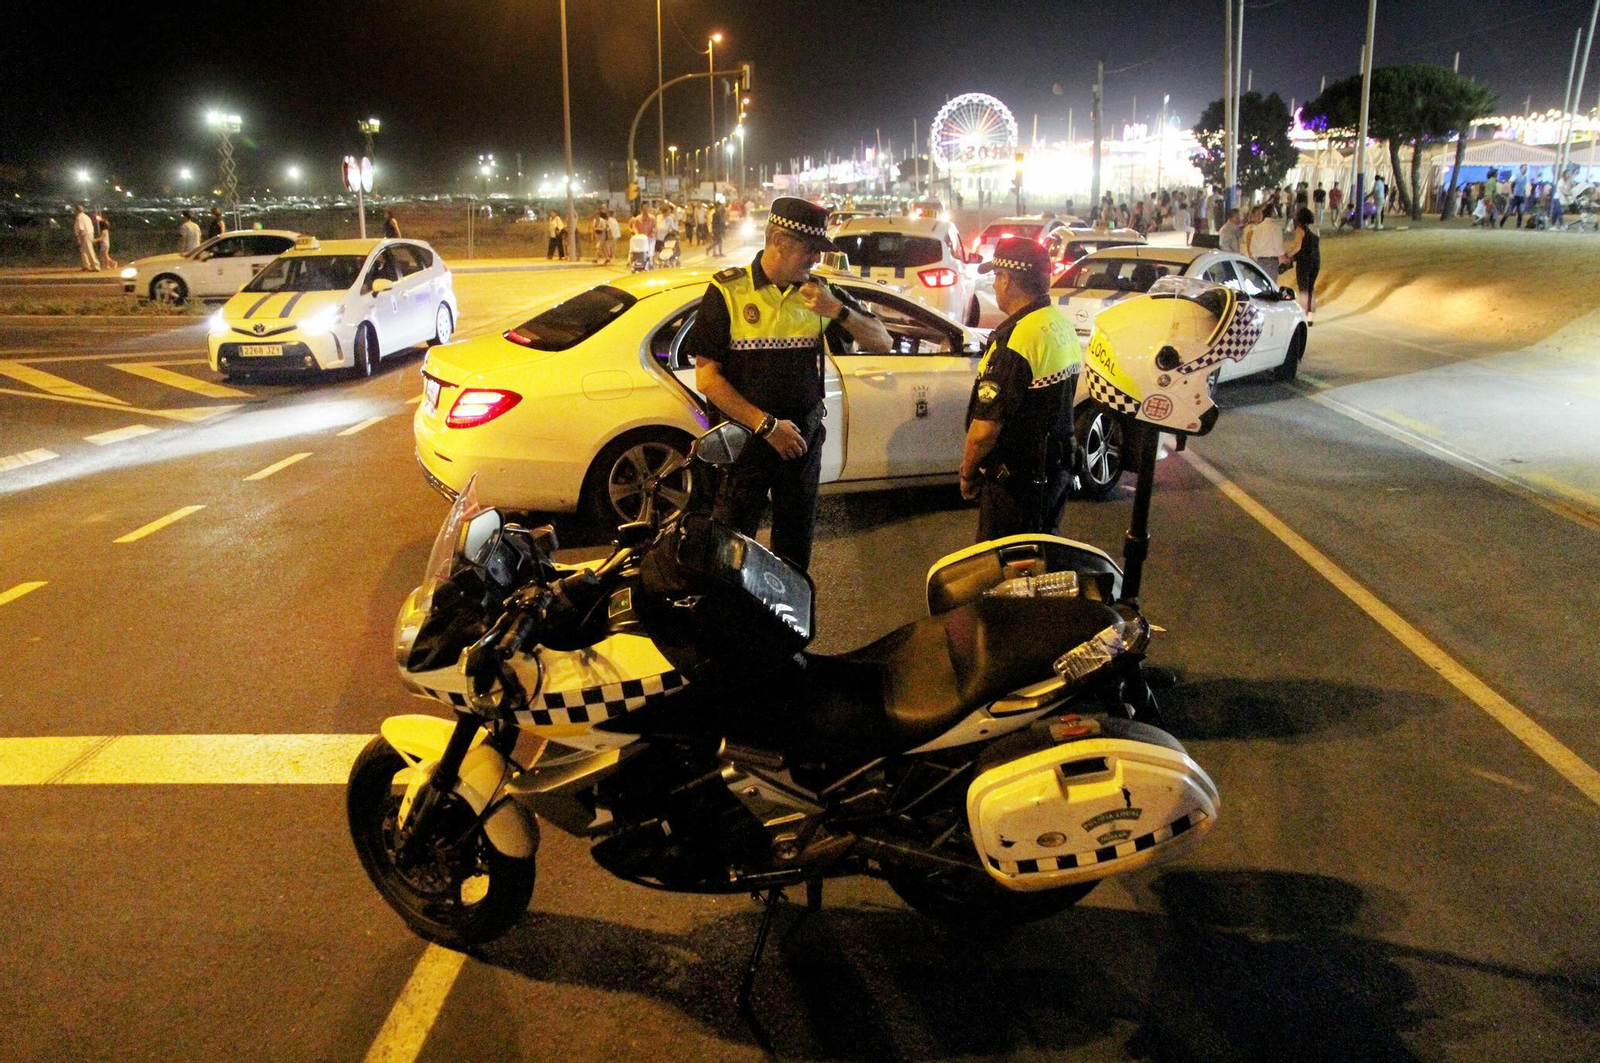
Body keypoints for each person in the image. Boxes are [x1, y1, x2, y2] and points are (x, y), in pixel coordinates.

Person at [680, 197, 892, 570]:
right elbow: (708, 377)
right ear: (779, 241)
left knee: (794, 556)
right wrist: (767, 426)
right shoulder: (729, 290)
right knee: (731, 555)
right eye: (810, 248)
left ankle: (786, 607)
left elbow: (882, 341)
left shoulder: (819, 293)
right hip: (745, 446)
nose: (816, 258)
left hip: (800, 446)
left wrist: (836, 310)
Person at [960, 236, 1081, 540]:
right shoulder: (1059, 324)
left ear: (1007, 279)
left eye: (996, 276)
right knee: (1040, 552)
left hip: (1017, 485)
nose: (994, 284)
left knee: (1005, 562)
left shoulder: (1018, 340)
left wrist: (968, 474)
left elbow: (984, 432)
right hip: (1054, 476)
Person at [1281, 207, 1321, 325]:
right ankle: (1310, 317)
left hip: (1304, 261)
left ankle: (1303, 314)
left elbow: (1297, 247)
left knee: (1303, 289)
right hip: (1316, 260)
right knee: (1310, 287)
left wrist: (1287, 255)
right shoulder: (1315, 228)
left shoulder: (1300, 229)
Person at [1246, 205, 1284, 282]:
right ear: (1272, 213)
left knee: (1260, 284)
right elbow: (1279, 247)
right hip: (1271, 261)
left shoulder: (1258, 228)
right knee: (1271, 284)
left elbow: (1252, 248)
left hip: (1260, 261)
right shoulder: (1276, 227)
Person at [72, 205, 99, 271]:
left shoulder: (79, 217)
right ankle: (86, 265)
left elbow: (81, 228)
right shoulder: (86, 216)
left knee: (89, 250)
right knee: (84, 250)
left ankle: (96, 266)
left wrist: (78, 237)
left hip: (84, 235)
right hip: (89, 234)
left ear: (77, 210)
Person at [1503, 164, 1528, 229]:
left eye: (1526, 169)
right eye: (1524, 169)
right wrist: (1510, 193)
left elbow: (1523, 187)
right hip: (1515, 196)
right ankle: (1502, 222)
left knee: (1521, 211)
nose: (1525, 170)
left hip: (1521, 196)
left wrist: (1524, 194)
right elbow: (1509, 184)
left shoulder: (1525, 178)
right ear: (1521, 169)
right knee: (1509, 211)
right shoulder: (1515, 175)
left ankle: (1518, 226)